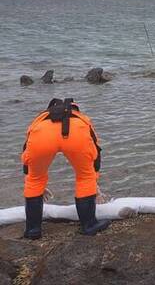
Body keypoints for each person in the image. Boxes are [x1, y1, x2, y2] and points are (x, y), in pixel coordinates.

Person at [21, 98, 110, 239]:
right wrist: (94, 180)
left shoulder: (39, 119)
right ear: (75, 109)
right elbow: (96, 153)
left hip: (42, 136)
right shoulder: (82, 120)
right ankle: (89, 225)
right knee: (85, 177)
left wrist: (29, 175)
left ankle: (33, 230)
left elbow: (26, 154)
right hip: (76, 134)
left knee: (35, 179)